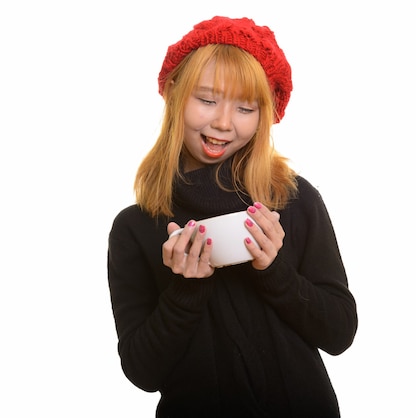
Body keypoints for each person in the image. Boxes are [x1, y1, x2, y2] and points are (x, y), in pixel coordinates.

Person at [107, 16, 358, 417]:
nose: (223, 123)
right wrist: (185, 290)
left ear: (264, 115)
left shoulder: (293, 199)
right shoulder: (136, 226)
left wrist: (274, 270)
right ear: (174, 93)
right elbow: (142, 371)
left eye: (245, 107)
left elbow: (340, 332)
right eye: (206, 100)